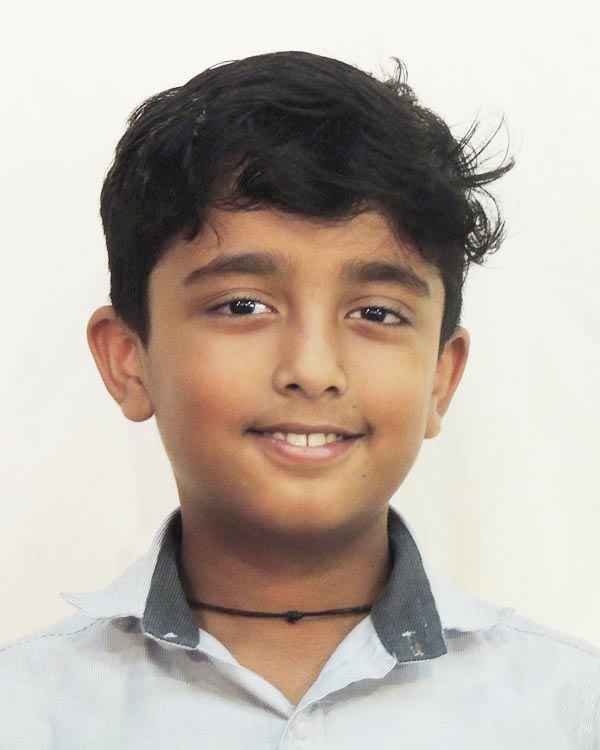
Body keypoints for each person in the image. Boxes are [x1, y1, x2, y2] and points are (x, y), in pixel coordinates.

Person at [1, 51, 598, 748]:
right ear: (128, 360)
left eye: (376, 314)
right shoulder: (25, 711)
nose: (313, 371)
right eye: (243, 305)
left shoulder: (568, 713)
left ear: (441, 377)